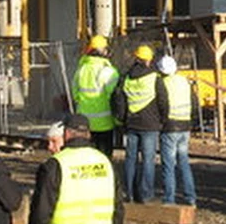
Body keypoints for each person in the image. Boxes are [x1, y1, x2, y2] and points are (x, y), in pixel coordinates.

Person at [112, 44, 166, 203]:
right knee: (148, 160)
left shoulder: (127, 77)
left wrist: (122, 120)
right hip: (150, 124)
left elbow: (120, 100)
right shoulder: (154, 78)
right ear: (148, 60)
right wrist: (162, 120)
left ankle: (129, 193)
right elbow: (163, 101)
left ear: (136, 58)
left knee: (130, 160)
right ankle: (146, 194)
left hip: (131, 123)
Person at [157, 54, 198, 206]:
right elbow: (194, 103)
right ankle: (190, 197)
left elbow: (161, 105)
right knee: (184, 163)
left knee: (168, 165)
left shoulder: (162, 83)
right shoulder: (184, 81)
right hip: (185, 125)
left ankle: (169, 198)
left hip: (170, 127)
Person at [73, 34, 120, 158]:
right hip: (105, 122)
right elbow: (116, 98)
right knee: (104, 157)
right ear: (103, 51)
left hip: (84, 122)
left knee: (88, 157)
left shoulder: (81, 70)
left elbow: (75, 94)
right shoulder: (109, 72)